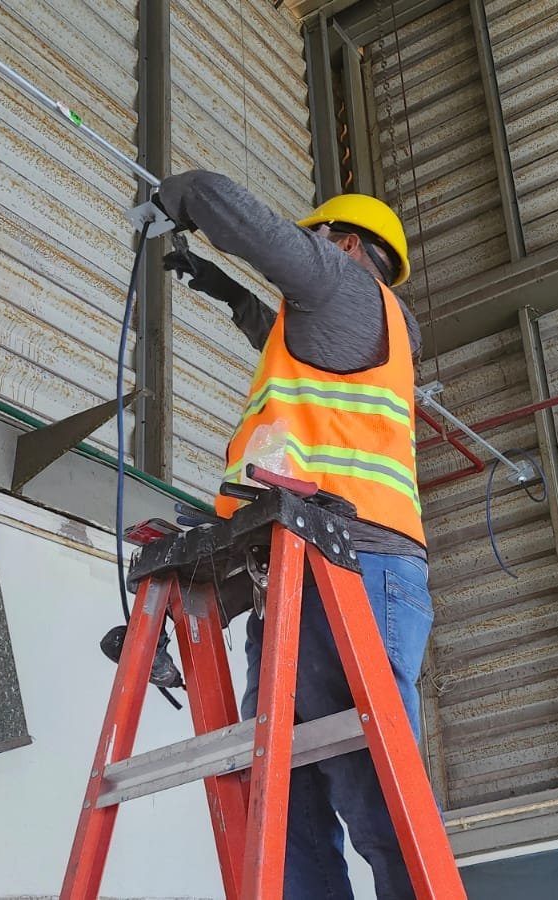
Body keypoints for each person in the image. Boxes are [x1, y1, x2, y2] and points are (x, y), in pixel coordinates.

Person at [157, 169, 435, 900]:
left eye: (318, 242)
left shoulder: (347, 288)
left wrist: (180, 195)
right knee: (285, 798)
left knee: (375, 792)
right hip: (298, 563)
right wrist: (230, 295)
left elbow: (230, 205)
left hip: (353, 563)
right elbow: (290, 334)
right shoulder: (361, 323)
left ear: (344, 245)